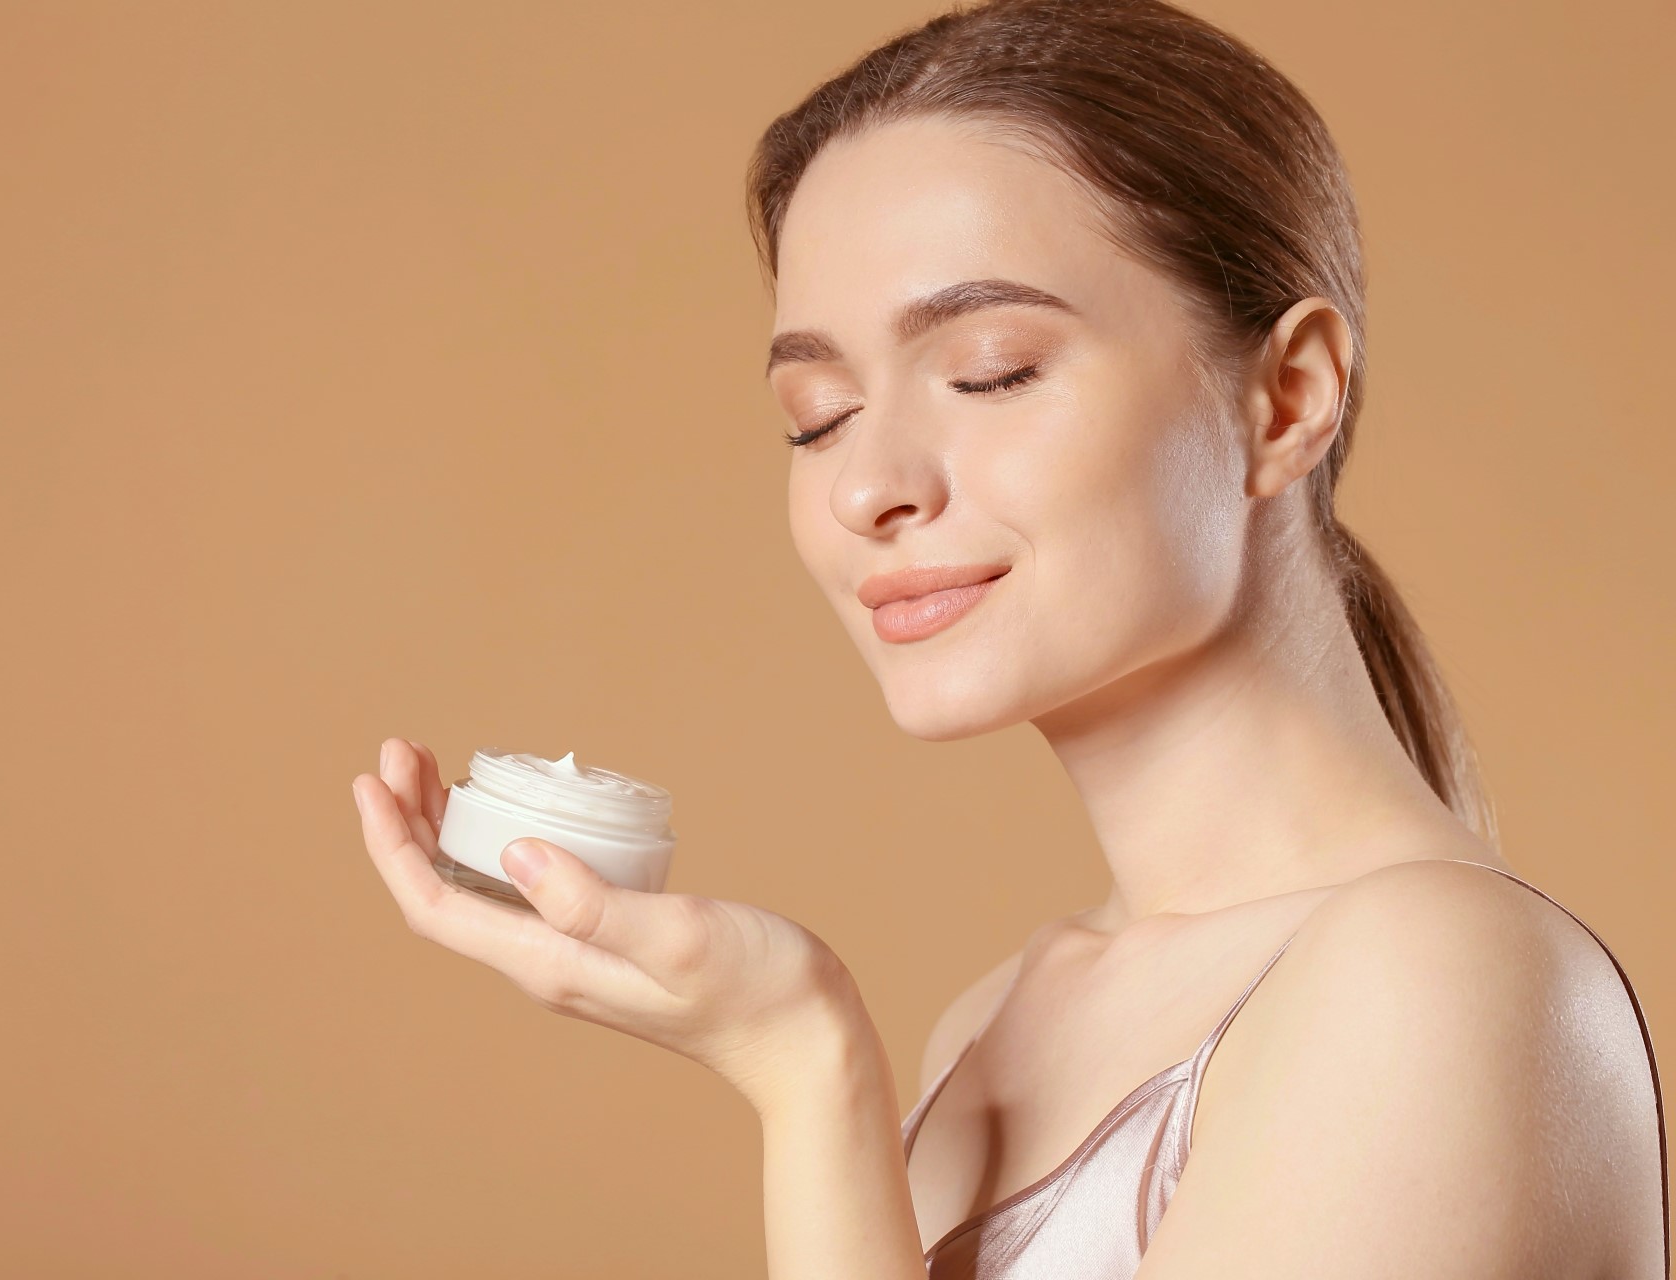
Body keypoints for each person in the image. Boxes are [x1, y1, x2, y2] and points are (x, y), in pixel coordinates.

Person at [349, 0, 1667, 1275]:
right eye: (818, 416)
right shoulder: (996, 1028)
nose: (867, 487)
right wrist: (803, 1060)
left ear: (1287, 397)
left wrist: (805, 1064)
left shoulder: (1444, 980)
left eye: (990, 371)